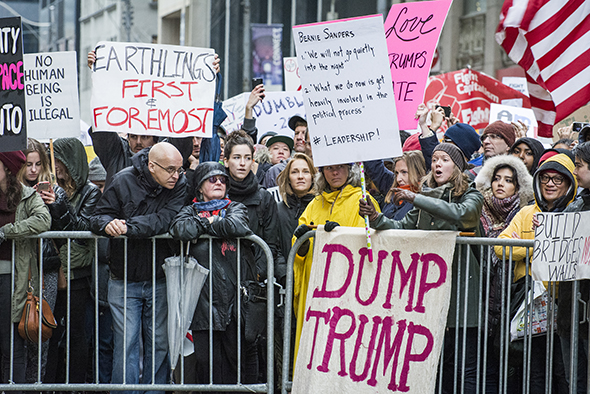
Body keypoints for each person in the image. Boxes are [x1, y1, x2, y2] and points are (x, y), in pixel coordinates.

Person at [359, 143, 484, 393]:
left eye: (444, 159)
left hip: (463, 294)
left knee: (464, 368)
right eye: (435, 159)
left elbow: (462, 215)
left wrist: (417, 198)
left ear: (457, 167)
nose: (437, 164)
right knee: (434, 367)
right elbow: (403, 227)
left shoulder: (472, 194)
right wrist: (376, 218)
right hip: (430, 296)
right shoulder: (424, 196)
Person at [90, 142, 187, 393]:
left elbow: (166, 219)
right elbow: (98, 216)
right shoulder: (122, 180)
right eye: (170, 169)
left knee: (159, 343)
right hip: (124, 277)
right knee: (126, 345)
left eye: (180, 169)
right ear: (151, 166)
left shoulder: (179, 184)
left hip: (160, 276)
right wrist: (108, 225)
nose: (176, 175)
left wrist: (127, 227)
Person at [169, 161, 257, 388]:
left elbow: (237, 226)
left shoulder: (236, 207)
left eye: (222, 179)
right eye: (212, 179)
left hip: (235, 303)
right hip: (202, 304)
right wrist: (214, 222)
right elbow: (182, 230)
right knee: (207, 366)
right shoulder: (188, 210)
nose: (219, 182)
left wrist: (206, 222)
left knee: (235, 366)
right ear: (199, 187)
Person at [496, 153, 576, 394]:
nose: (550, 184)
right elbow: (501, 247)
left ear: (570, 183)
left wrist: (529, 244)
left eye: (558, 179)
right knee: (534, 371)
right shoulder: (525, 213)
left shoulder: (577, 213)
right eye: (545, 178)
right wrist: (536, 247)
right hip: (531, 305)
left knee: (563, 371)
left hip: (565, 307)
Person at [291, 162, 381, 365]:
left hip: (347, 292)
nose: (335, 172)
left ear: (350, 170)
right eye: (329, 168)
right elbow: (298, 249)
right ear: (322, 172)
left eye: (340, 166)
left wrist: (342, 237)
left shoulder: (363, 200)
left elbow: (370, 243)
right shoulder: (314, 204)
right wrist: (302, 244)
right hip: (316, 290)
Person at [38, 138, 102, 384]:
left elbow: (83, 228)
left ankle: (75, 384)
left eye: (60, 160)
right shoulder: (51, 189)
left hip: (77, 273)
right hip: (54, 270)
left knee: (77, 334)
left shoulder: (90, 193)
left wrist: (60, 204)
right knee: (50, 332)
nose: (56, 166)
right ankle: (50, 382)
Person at [474, 154, 533, 391]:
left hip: (513, 296)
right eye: (497, 178)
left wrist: (514, 245)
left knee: (510, 366)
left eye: (508, 180)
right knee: (484, 364)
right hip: (483, 299)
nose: (500, 184)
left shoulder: (523, 213)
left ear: (518, 186)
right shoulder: (479, 213)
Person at [0, 151, 51, 387]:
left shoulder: (26, 195)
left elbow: (43, 220)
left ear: (7, 169)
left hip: (13, 278)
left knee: (11, 345)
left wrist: (8, 231)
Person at [15, 139, 60, 384]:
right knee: (16, 331)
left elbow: (68, 227)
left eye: (38, 164)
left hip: (45, 269)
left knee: (39, 330)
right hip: (18, 267)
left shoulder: (54, 190)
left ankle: (36, 385)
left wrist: (56, 206)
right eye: (28, 164)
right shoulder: (10, 191)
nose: (33, 170)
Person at [557, 141, 590, 393]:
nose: (575, 172)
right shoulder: (576, 203)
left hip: (585, 306)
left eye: (579, 166)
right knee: (574, 381)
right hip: (571, 309)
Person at [366, 151, 426, 220]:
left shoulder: (425, 197)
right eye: (396, 173)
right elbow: (375, 167)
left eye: (404, 172)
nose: (398, 179)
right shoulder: (392, 189)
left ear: (418, 172)